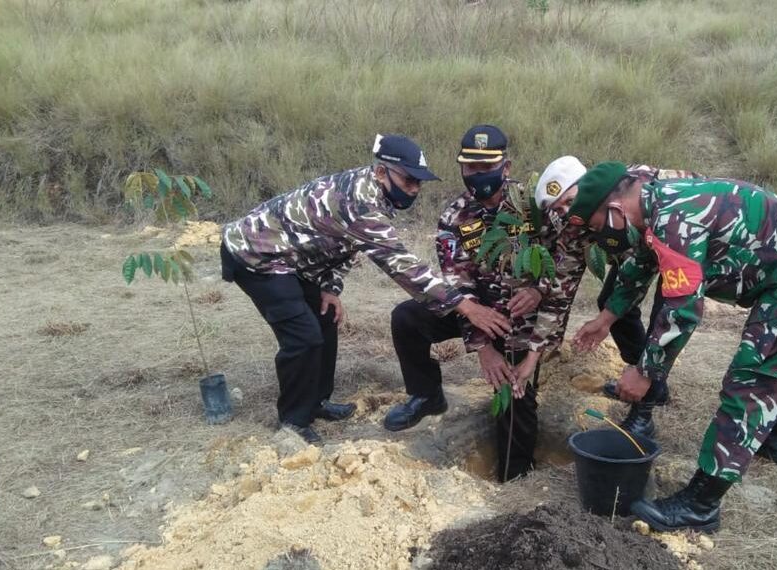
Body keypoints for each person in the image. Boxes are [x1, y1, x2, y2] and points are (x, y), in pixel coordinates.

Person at [569, 162, 777, 532]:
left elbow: (682, 310)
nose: (600, 237)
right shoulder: (655, 206)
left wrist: (646, 371)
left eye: (596, 228)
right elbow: (640, 266)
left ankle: (701, 504)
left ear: (614, 210)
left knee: (759, 374)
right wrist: (605, 319)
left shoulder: (675, 221)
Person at [220, 134, 509, 444]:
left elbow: (344, 243)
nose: (414, 189)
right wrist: (465, 306)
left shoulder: (375, 192)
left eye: (419, 183)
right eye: (409, 181)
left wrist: (330, 288)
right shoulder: (361, 202)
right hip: (255, 254)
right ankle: (293, 422)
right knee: (303, 337)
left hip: (294, 259)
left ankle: (316, 401)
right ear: (382, 172)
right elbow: (401, 264)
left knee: (324, 317)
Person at [383, 125, 569, 482]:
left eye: (488, 168)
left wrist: (540, 289)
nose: (479, 176)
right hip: (478, 315)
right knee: (407, 317)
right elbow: (458, 283)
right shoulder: (454, 217)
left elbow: (564, 258)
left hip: (521, 319)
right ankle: (425, 396)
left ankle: (515, 479)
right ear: (461, 168)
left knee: (515, 396)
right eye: (471, 168)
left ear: (507, 167)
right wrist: (482, 346)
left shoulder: (534, 206)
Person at [534, 158, 703, 437]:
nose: (566, 212)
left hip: (680, 243)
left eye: (568, 201)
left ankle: (644, 406)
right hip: (640, 257)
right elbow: (562, 283)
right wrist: (543, 346)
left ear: (587, 186)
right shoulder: (575, 221)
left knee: (665, 317)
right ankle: (647, 378)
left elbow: (698, 198)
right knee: (610, 305)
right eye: (559, 209)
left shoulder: (646, 184)